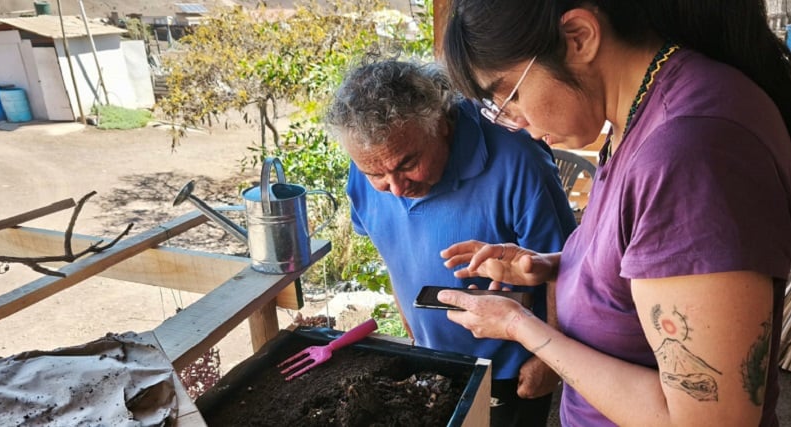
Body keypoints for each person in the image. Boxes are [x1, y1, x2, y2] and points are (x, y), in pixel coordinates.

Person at [436, 1, 791, 426]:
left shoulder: (690, 153)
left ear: (578, 37)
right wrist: (555, 267)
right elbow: (651, 257)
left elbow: (711, 421)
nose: (516, 123)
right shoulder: (643, 111)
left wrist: (518, 325)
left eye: (508, 95)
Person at [324, 56, 578, 426]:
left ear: (442, 123)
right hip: (431, 361)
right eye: (376, 174)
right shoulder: (373, 158)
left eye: (408, 163)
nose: (395, 188)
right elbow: (393, 249)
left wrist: (550, 356)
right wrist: (410, 326)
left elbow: (569, 267)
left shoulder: (518, 160)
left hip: (510, 368)